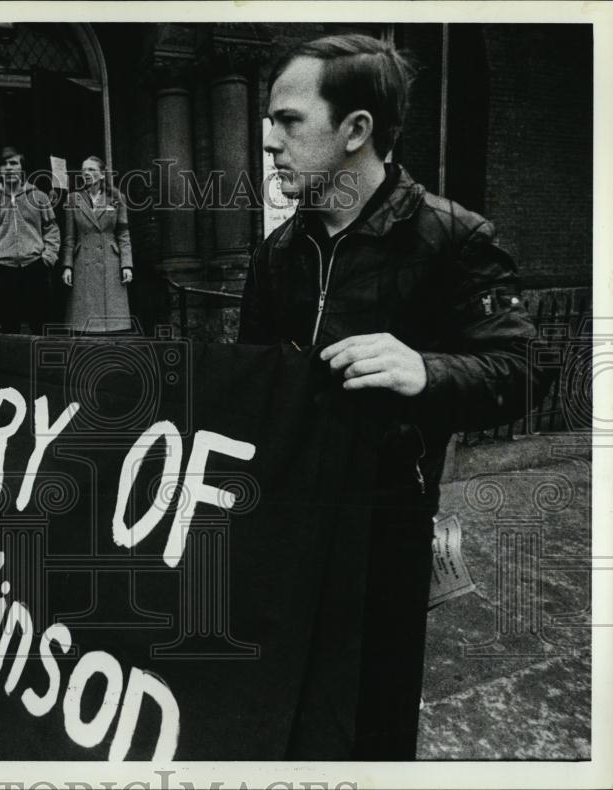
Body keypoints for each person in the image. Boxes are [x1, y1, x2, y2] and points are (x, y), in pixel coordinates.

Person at [238, 34, 546, 759]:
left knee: (375, 719)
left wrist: (426, 372)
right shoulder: (278, 251)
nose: (270, 142)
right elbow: (251, 380)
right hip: (288, 526)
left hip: (387, 533)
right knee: (289, 709)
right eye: (270, 123)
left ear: (355, 129)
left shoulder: (451, 236)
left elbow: (525, 369)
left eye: (288, 121)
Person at [0, 146, 60, 335]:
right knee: (9, 327)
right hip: (3, 270)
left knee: (39, 325)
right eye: (4, 164)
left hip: (35, 267)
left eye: (13, 163)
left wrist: (47, 258)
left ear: (22, 168)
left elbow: (51, 229)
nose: (9, 168)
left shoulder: (38, 196)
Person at [60, 155, 134, 333]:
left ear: (102, 174)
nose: (86, 173)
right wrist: (67, 266)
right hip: (83, 262)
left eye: (91, 170)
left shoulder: (116, 198)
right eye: (84, 170)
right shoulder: (73, 199)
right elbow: (69, 237)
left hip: (109, 262)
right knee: (84, 323)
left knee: (111, 324)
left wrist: (126, 265)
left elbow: (123, 234)